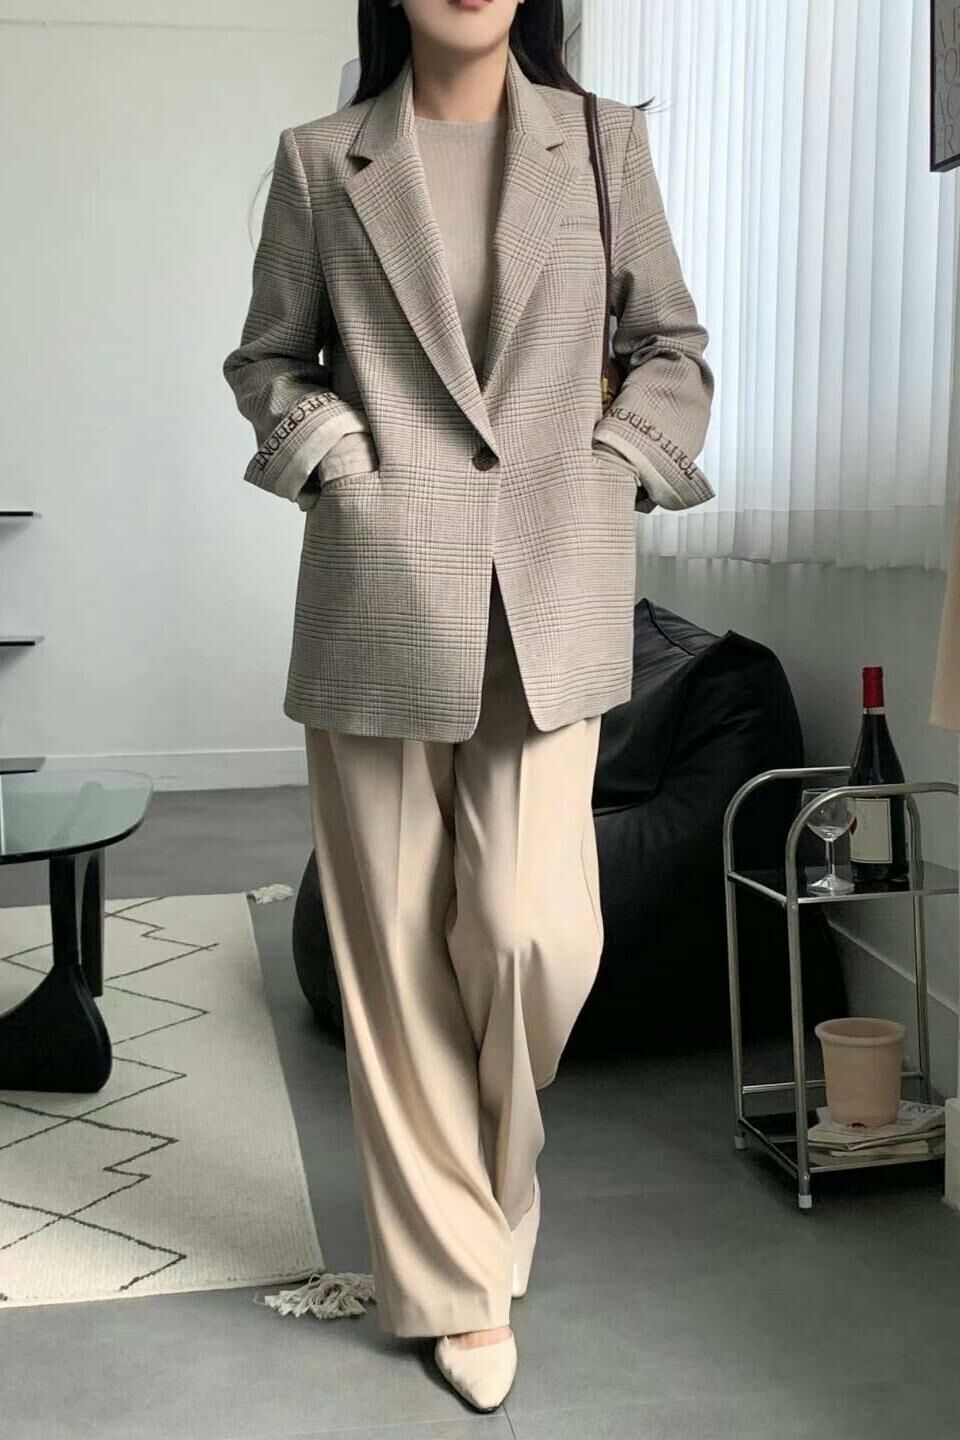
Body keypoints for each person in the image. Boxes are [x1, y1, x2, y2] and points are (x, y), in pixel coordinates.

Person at [222, 0, 714, 1412]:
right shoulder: (322, 159)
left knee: (528, 933)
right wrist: (340, 462)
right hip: (380, 587)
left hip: (553, 588)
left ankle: (487, 1199)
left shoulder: (603, 146)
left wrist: (616, 464)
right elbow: (269, 358)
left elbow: (671, 345)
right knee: (391, 953)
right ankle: (452, 1281)